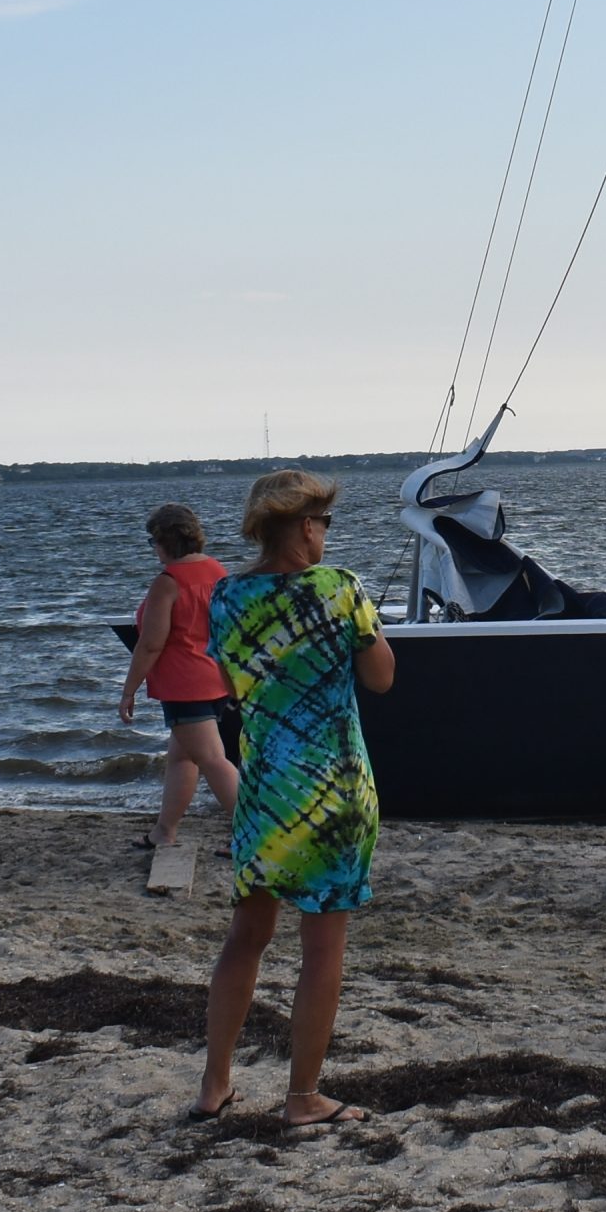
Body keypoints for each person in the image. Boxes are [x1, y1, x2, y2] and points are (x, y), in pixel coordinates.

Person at [192, 471, 392, 1128]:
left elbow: (230, 682)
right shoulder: (340, 590)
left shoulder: (227, 596)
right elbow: (381, 677)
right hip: (333, 793)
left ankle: (214, 1083)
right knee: (321, 948)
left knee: (246, 936)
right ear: (306, 526)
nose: (328, 535)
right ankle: (304, 1096)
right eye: (325, 523)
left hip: (264, 792)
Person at [119, 502, 242, 852]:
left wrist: (129, 691)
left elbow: (150, 645)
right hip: (216, 678)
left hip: (185, 685)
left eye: (153, 541)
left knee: (213, 760)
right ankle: (164, 831)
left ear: (164, 541)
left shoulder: (168, 582)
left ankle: (256, 836)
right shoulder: (217, 570)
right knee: (182, 757)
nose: (153, 548)